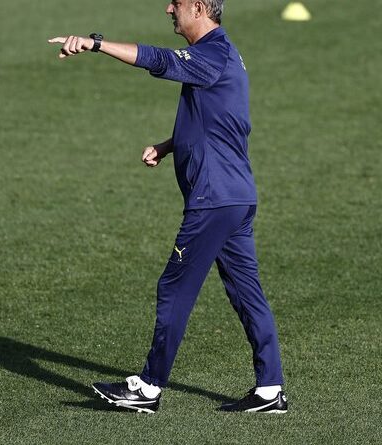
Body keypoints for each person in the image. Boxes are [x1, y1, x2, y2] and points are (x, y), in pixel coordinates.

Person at [48, 0, 287, 413]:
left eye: (176, 3)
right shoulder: (223, 54)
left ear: (198, 7)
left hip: (213, 200)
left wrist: (96, 43)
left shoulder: (211, 54)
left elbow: (158, 60)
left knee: (174, 288)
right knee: (247, 294)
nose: (167, 9)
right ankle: (270, 390)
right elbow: (221, 122)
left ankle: (148, 387)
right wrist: (169, 145)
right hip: (235, 197)